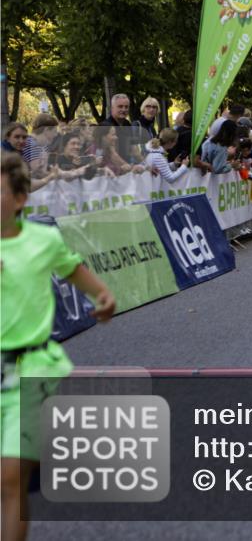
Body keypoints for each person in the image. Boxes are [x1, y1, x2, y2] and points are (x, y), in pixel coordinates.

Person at [1, 153, 116, 541]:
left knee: (10, 476)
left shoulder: (43, 239)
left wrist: (103, 298)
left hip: (29, 370)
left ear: (19, 200)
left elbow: (80, 276)